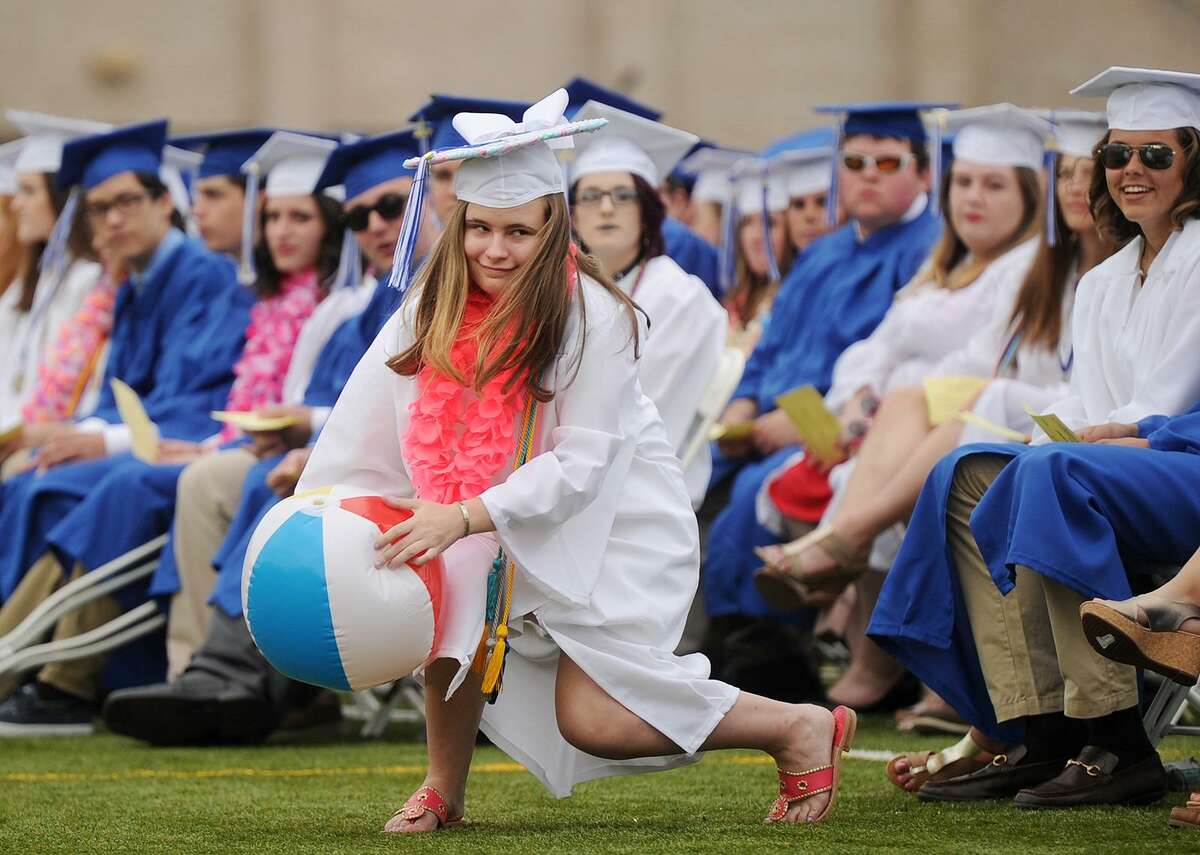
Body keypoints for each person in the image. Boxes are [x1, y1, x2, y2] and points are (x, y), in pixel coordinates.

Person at [296, 89, 855, 831]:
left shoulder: (593, 313)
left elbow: (585, 463)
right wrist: (351, 502)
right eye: (481, 229)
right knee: (446, 582)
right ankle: (443, 786)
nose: (496, 250)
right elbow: (376, 414)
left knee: (596, 719)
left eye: (519, 231)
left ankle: (794, 726)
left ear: (554, 224)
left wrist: (466, 513)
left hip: (610, 522)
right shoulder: (434, 301)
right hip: (493, 508)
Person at [868, 66, 1200, 809]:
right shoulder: (1105, 282)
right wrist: (1054, 435)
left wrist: (1085, 440)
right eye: (1118, 156)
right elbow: (1088, 400)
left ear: (1194, 159)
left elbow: (1165, 403)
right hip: (1118, 462)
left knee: (1047, 472)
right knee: (971, 470)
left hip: (1183, 456)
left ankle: (1112, 733)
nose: (1131, 172)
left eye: (1157, 155)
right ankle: (1034, 724)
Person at [101, 127, 436, 744]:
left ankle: (248, 679)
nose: (379, 227)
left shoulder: (439, 297)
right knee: (211, 481)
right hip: (338, 458)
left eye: (393, 207)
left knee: (266, 482)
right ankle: (202, 672)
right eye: (361, 215)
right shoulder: (372, 305)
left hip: (409, 477)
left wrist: (313, 445)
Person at [751, 105, 1048, 714]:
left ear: (1027, 196)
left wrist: (882, 400)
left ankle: (872, 629)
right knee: (864, 462)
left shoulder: (1024, 268)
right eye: (965, 182)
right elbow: (873, 347)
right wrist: (858, 396)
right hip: (903, 419)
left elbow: (984, 359)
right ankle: (867, 641)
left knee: (887, 468)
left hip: (973, 415)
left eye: (994, 186)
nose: (973, 198)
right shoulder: (943, 266)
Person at [0, 120, 253, 728]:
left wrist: (102, 438)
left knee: (92, 483)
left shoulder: (201, 274)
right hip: (161, 437)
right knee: (30, 476)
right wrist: (78, 431)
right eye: (97, 210)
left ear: (165, 202)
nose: (112, 220)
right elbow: (129, 391)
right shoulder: (139, 284)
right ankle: (31, 660)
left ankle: (65, 675)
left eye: (126, 203)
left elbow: (195, 395)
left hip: (193, 439)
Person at [701, 103, 947, 669]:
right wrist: (742, 404)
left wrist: (806, 423)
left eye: (888, 162)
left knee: (750, 500)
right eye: (855, 161)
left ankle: (772, 660)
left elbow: (899, 365)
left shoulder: (927, 249)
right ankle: (701, 652)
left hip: (842, 434)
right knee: (689, 483)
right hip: (761, 427)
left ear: (924, 173)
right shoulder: (822, 255)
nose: (868, 174)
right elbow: (768, 350)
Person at [569, 100, 727, 505]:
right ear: (571, 215)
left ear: (648, 211)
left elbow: (640, 414)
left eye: (623, 195)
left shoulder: (678, 296)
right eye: (591, 196)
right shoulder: (564, 290)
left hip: (640, 499)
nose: (606, 208)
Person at [0, 112, 107, 428]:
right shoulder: (40, 278)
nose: (17, 205)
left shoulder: (89, 280)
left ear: (64, 200)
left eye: (29, 191)